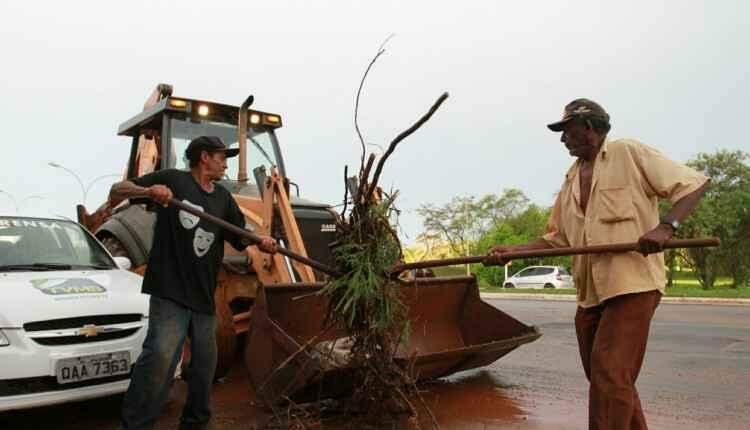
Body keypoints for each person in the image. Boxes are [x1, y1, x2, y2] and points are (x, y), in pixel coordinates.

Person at [489, 99, 709, 429]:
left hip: (631, 284)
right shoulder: (571, 177)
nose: (562, 139)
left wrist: (666, 227)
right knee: (608, 378)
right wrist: (513, 250)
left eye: (566, 131)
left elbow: (694, 184)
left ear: (588, 127)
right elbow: (557, 238)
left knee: (609, 371)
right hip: (590, 294)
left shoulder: (627, 153)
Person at [110, 135, 277, 430]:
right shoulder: (174, 179)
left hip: (203, 295)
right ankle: (136, 424)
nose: (226, 163)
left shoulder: (222, 198)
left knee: (204, 367)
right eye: (221, 157)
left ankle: (196, 423)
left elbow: (240, 234)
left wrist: (261, 241)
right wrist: (150, 190)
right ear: (204, 157)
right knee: (161, 358)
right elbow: (117, 190)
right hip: (170, 289)